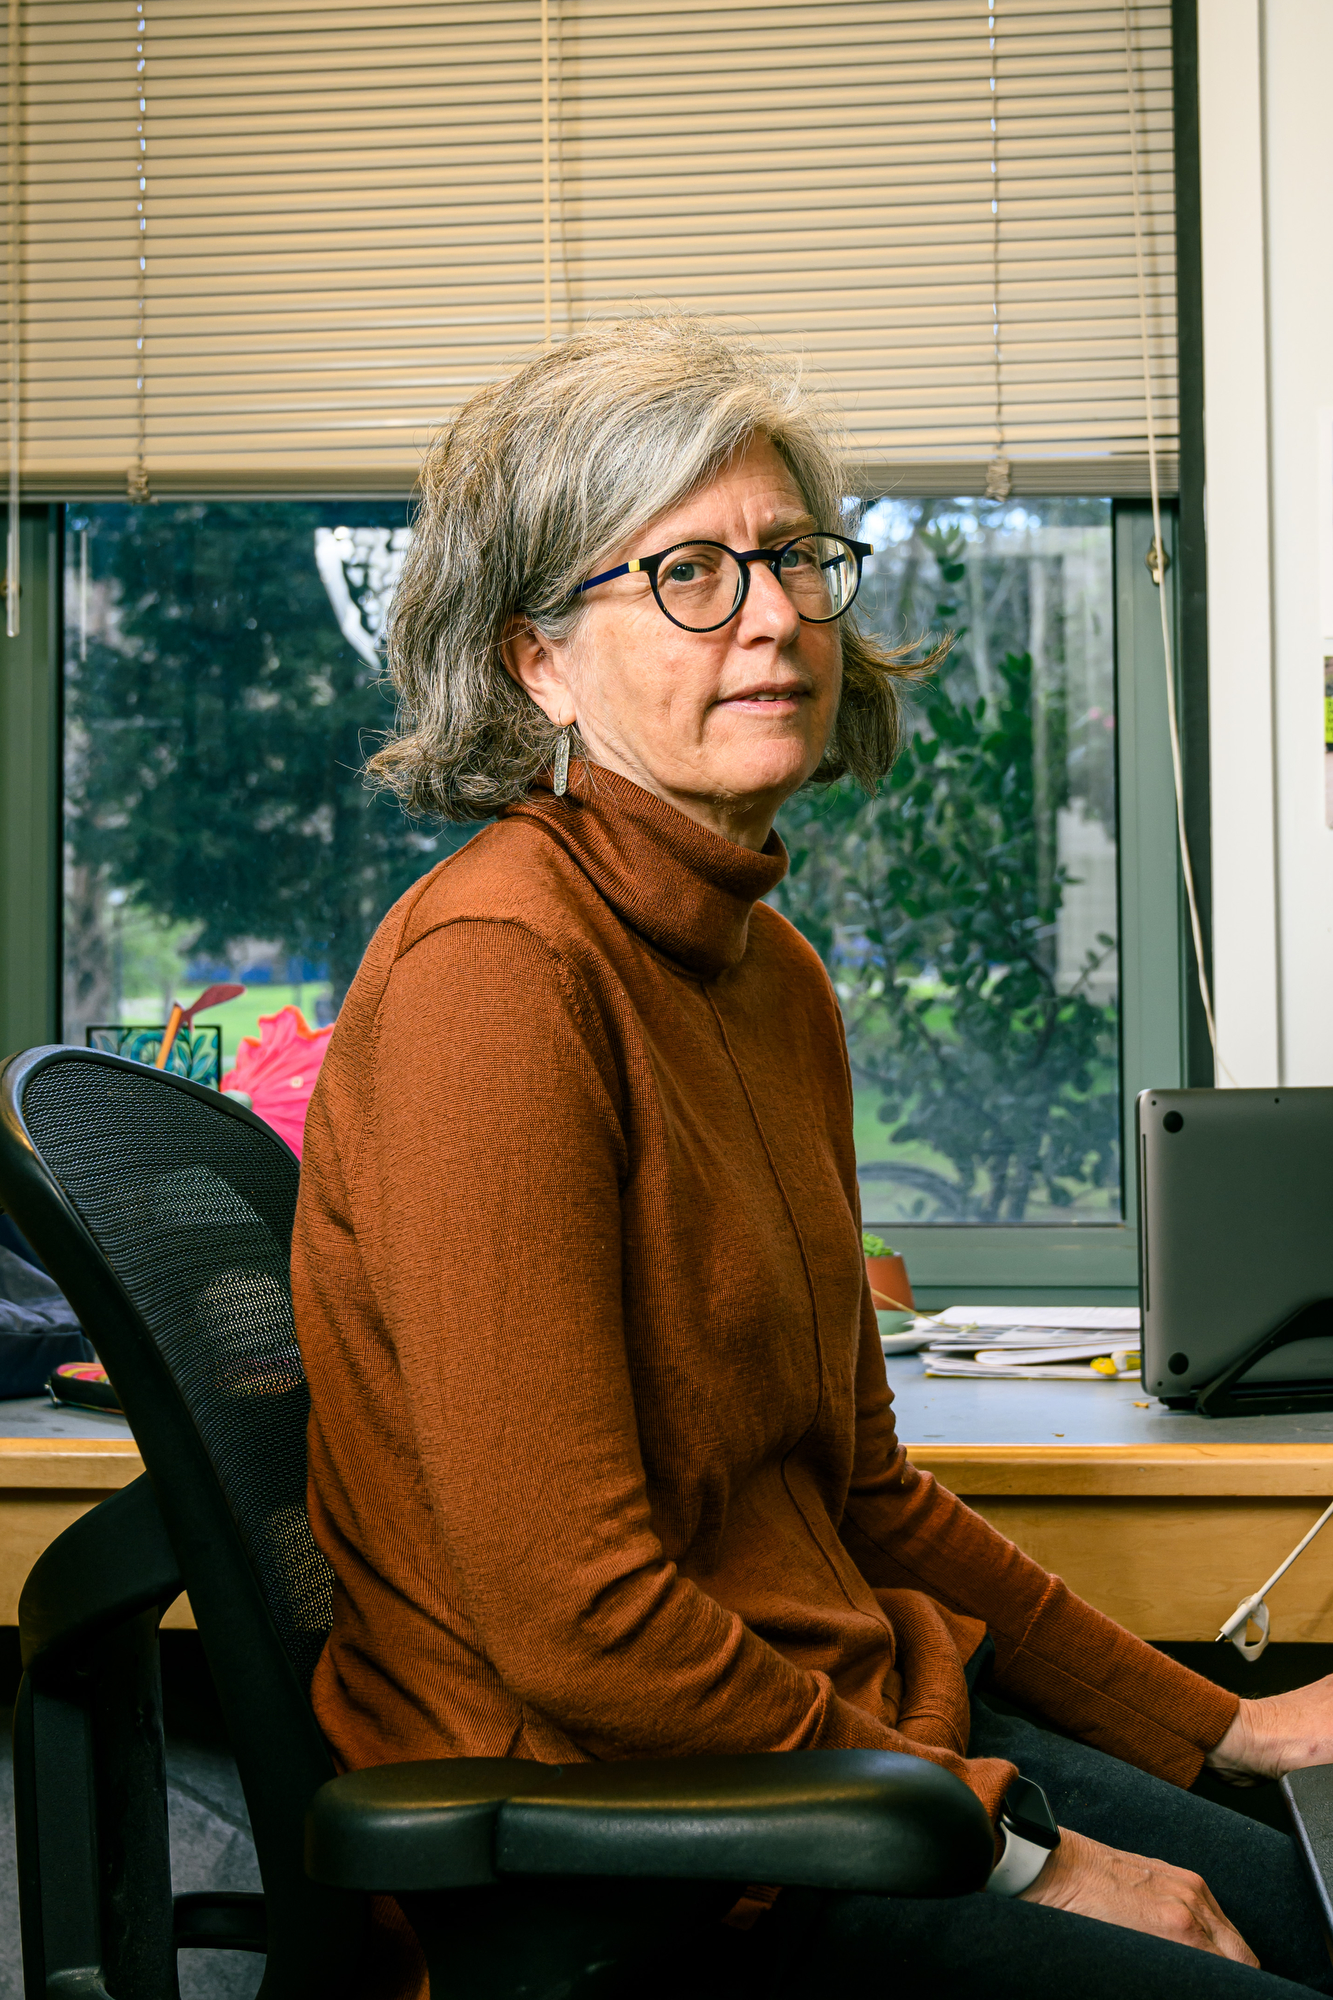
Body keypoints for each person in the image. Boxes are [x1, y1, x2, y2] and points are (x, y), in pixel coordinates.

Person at [292, 316, 1333, 1998]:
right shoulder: (494, 975)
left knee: (1308, 1909)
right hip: (644, 1859)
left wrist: (1230, 1725)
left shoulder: (767, 979)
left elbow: (861, 1500)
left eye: (790, 557)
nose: (774, 611)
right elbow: (578, 1616)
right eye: (688, 571)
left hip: (847, 1753)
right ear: (538, 663)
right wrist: (1026, 1849)